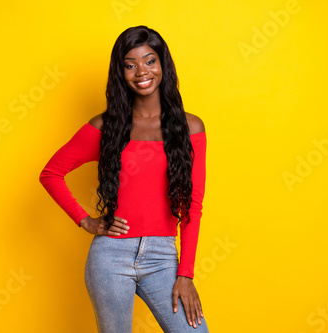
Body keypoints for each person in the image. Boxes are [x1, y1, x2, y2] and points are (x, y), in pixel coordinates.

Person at [39, 25, 209, 332]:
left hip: (163, 257)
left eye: (149, 60)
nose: (141, 71)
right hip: (110, 257)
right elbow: (51, 173)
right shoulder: (106, 127)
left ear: (162, 65)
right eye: (130, 64)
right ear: (121, 72)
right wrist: (86, 220)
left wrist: (185, 274)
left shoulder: (190, 127)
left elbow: (193, 207)